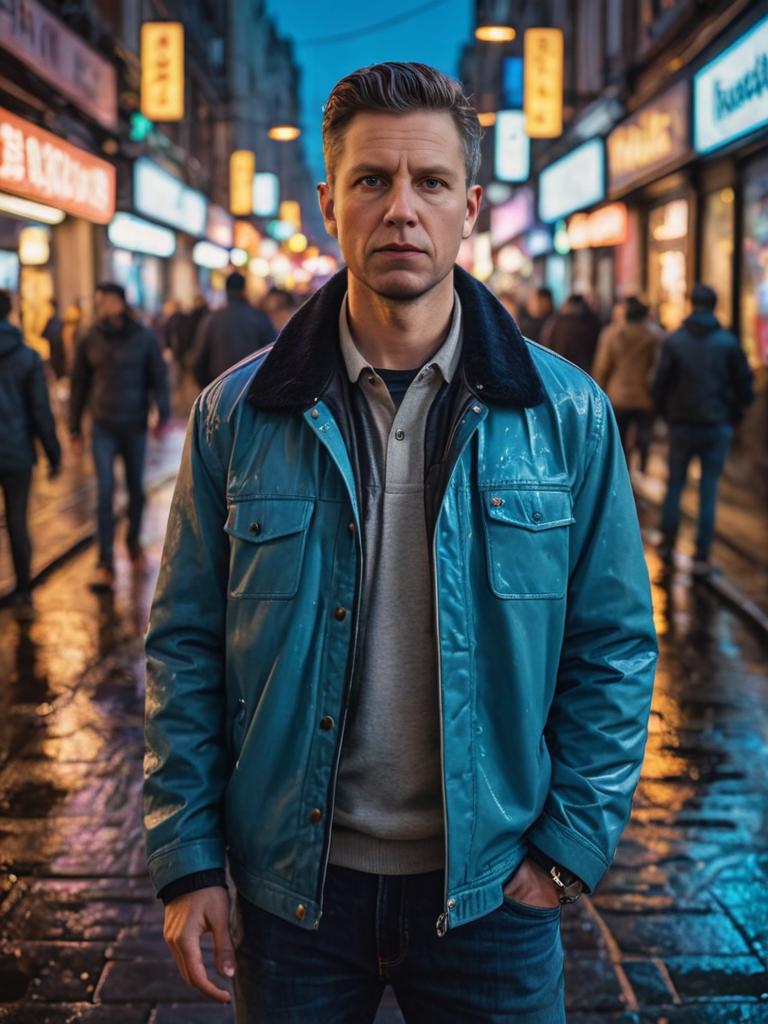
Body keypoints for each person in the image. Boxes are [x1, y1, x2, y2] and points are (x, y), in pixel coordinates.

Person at [144, 62, 657, 1023]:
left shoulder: (567, 414)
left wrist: (567, 849)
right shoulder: (238, 415)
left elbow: (614, 644)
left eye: (428, 183)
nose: (400, 211)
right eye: (373, 181)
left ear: (468, 207)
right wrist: (185, 858)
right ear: (330, 200)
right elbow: (183, 648)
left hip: (494, 893)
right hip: (294, 892)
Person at [69, 282, 170, 592]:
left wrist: (162, 414)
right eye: (100, 302)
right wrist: (74, 428)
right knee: (104, 492)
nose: (104, 307)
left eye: (109, 301)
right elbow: (78, 385)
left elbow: (158, 378)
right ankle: (105, 563)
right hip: (102, 425)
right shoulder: (89, 337)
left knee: (136, 489)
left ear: (121, 303)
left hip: (135, 423)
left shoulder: (143, 337)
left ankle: (133, 544)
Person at [652, 282, 753, 575]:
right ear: (714, 306)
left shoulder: (675, 341)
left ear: (690, 304)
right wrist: (734, 413)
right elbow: (744, 386)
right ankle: (701, 556)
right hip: (716, 424)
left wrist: (665, 413)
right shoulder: (728, 343)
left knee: (675, 485)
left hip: (682, 425)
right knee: (709, 489)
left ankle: (667, 544)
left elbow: (659, 385)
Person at [0, 289, 61, 616]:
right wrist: (53, 453)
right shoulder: (26, 356)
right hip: (16, 452)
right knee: (17, 521)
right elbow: (40, 411)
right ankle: (24, 593)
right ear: (12, 313)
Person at [593, 297, 659, 473]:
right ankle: (642, 464)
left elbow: (602, 367)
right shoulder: (653, 337)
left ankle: (623, 473)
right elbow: (657, 366)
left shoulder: (611, 334)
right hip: (643, 395)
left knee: (618, 439)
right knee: (643, 434)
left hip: (617, 396)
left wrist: (598, 393)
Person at [192, 271, 276, 388]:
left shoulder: (212, 319)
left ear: (226, 290)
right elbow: (273, 353)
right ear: (244, 290)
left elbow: (199, 360)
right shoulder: (258, 317)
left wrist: (208, 390)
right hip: (250, 389)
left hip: (220, 389)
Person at [540, 293, 602, 372]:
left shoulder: (556, 321)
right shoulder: (592, 322)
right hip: (584, 372)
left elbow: (547, 342)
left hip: (559, 368)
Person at [41, 299, 66, 381]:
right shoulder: (56, 321)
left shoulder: (55, 321)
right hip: (57, 348)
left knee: (57, 368)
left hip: (56, 348)